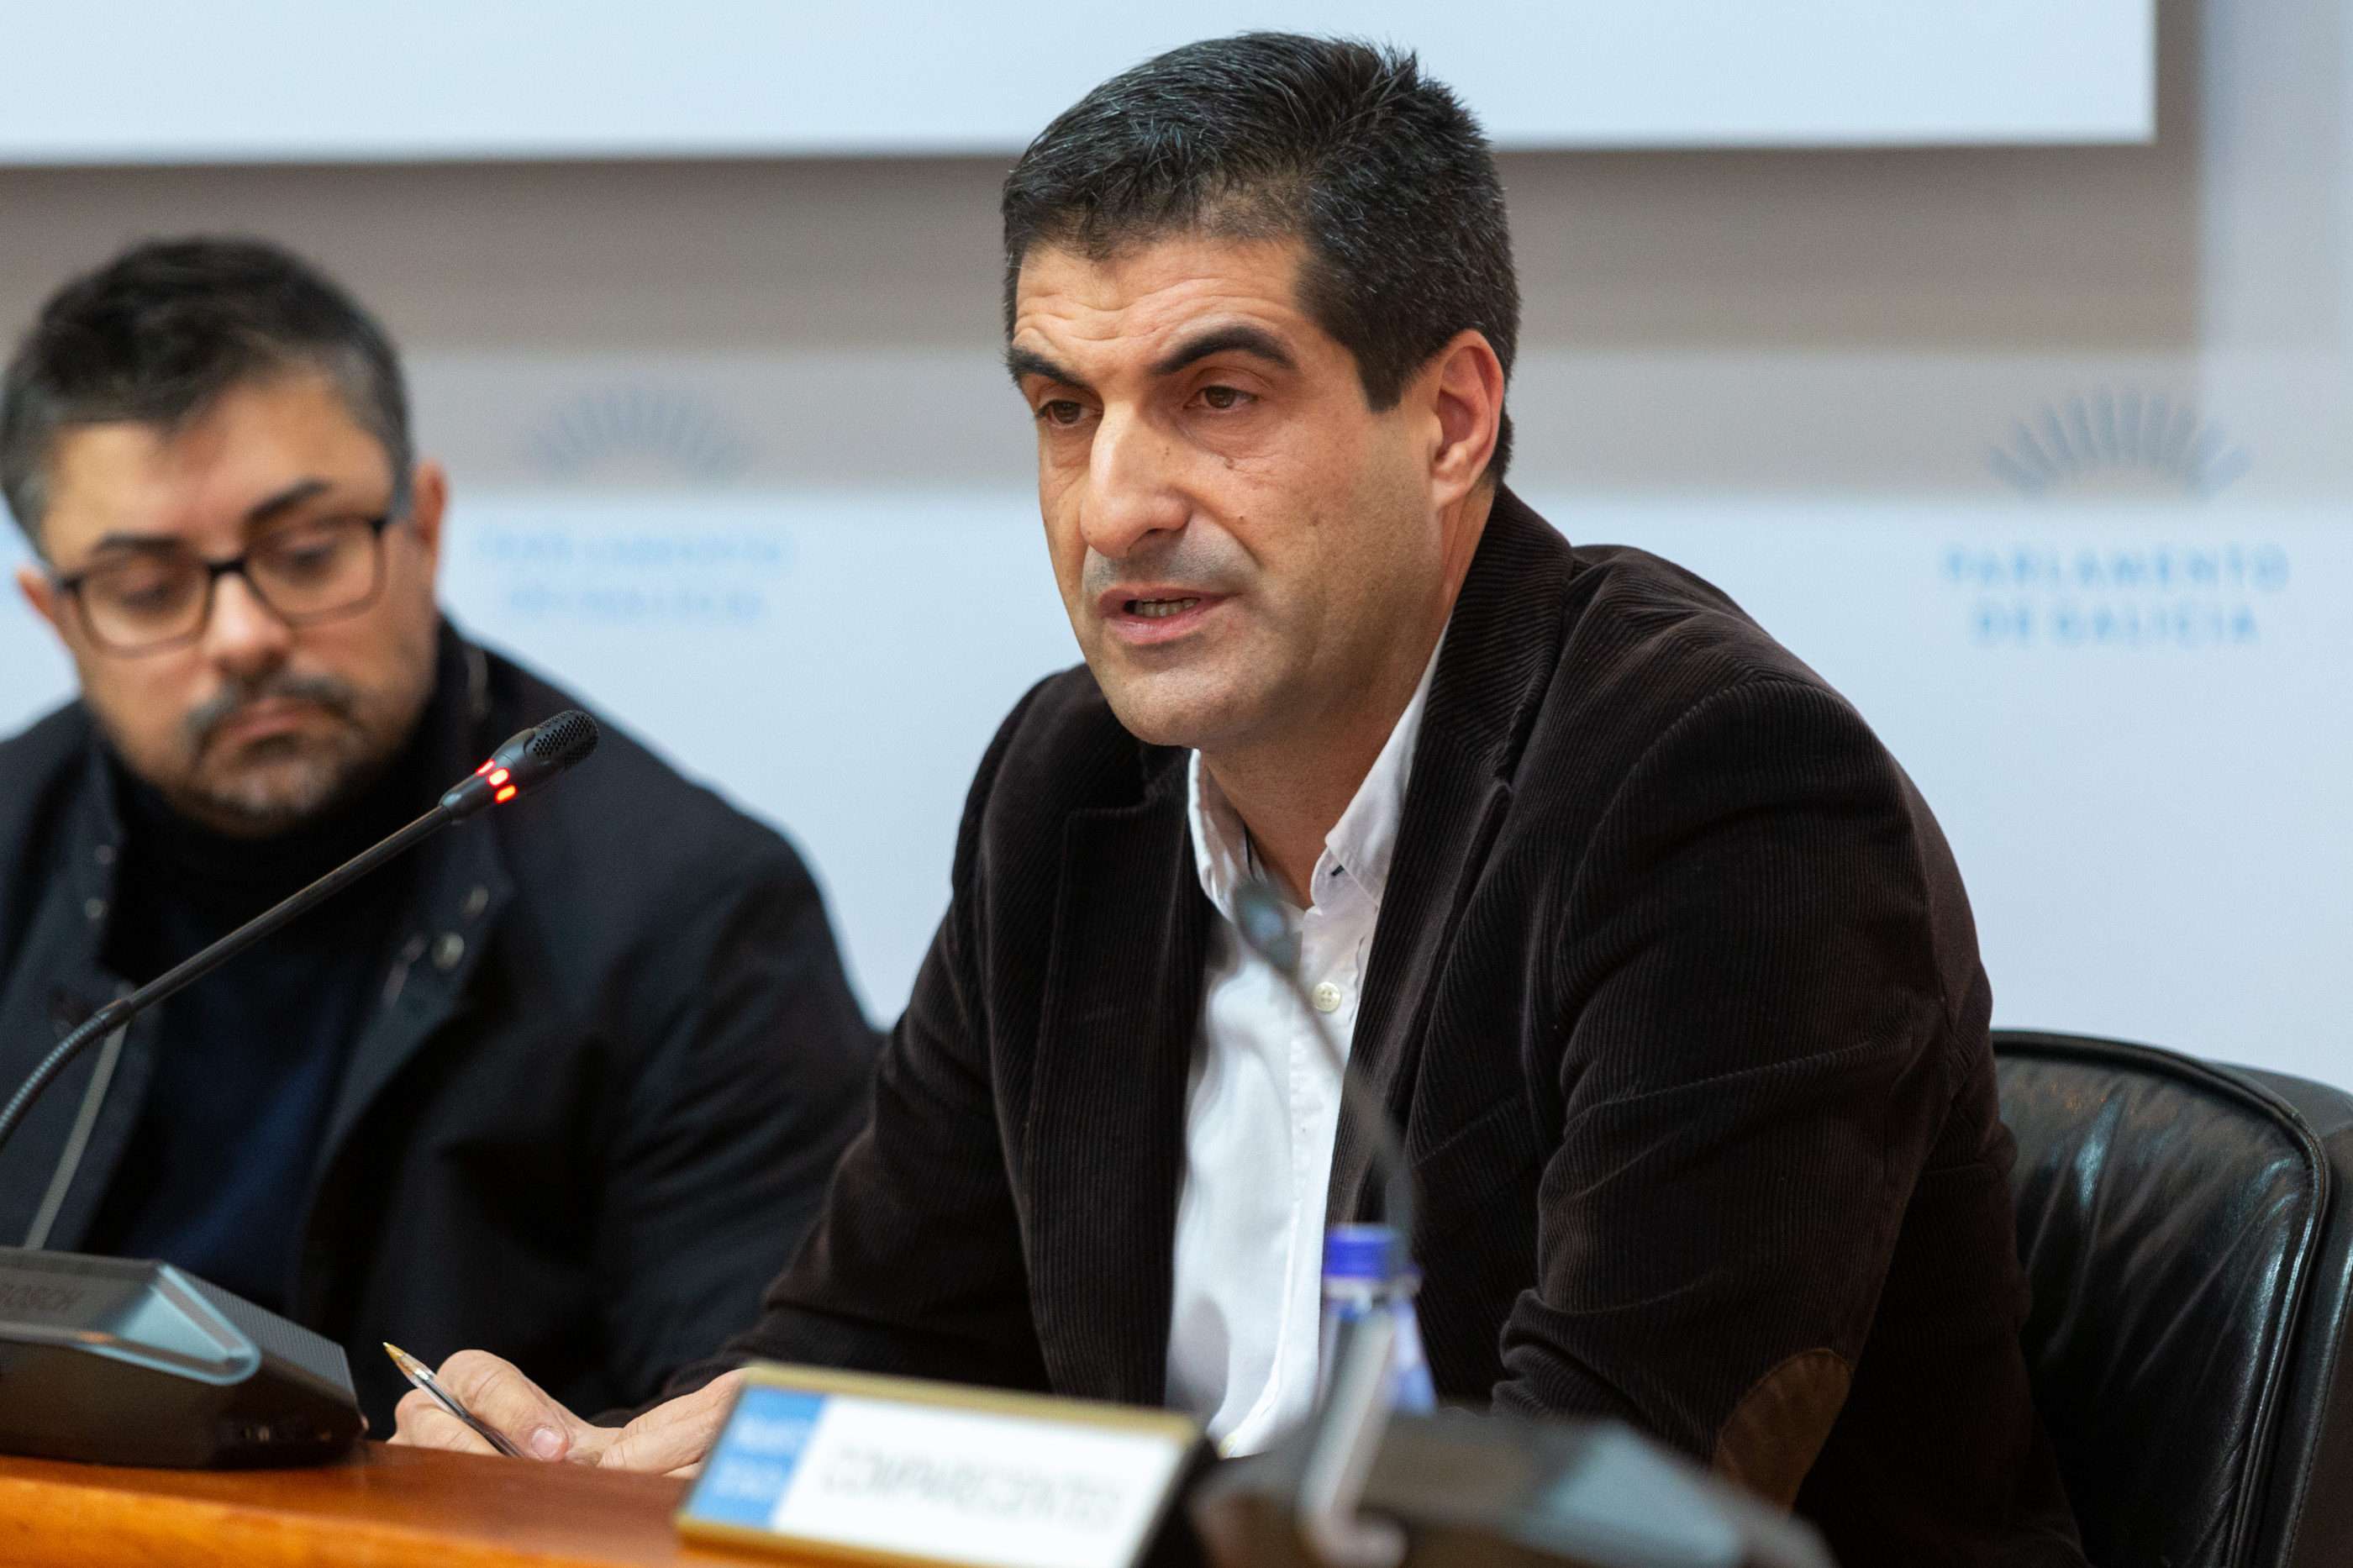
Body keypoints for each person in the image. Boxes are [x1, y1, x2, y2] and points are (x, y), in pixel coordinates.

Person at [392, 36, 2086, 1565]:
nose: (1114, 505)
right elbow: (881, 1351)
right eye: (1064, 411)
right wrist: (640, 1466)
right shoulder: (1069, 791)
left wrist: (964, 1489)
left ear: (1449, 418)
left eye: (1217, 397)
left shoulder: (1717, 794)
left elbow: (1588, 1511)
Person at [0, 238, 881, 1435]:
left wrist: (573, 1464)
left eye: (306, 552)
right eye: (150, 589)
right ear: (55, 614)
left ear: (423, 523)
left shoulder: (692, 912)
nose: (245, 634)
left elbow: (746, 1415)